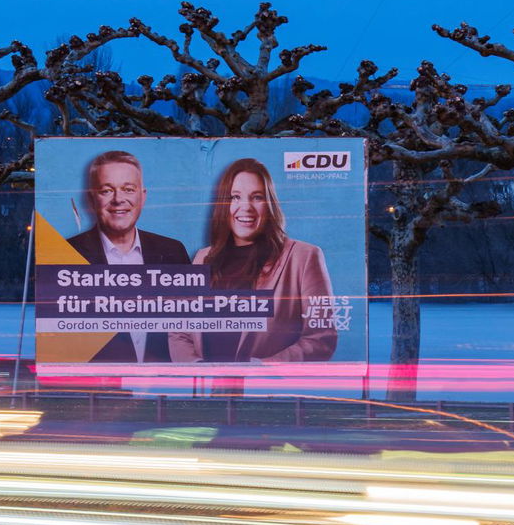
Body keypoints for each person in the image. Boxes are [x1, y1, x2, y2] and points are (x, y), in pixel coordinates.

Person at [169, 158, 337, 364]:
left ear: (270, 204)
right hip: (210, 391)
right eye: (235, 197)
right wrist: (198, 368)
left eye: (257, 197)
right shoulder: (203, 257)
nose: (245, 207)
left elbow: (321, 339)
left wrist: (262, 369)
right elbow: (180, 332)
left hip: (264, 393)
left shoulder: (303, 256)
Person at [67, 150, 190, 363]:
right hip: (98, 389)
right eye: (106, 190)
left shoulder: (172, 252)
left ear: (143, 196)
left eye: (128, 189)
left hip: (162, 387)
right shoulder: (68, 254)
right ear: (91, 199)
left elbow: (190, 326)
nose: (118, 200)